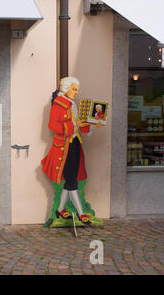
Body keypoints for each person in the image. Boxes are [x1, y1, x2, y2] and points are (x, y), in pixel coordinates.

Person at [41, 77, 101, 225]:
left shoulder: (72, 104)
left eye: (76, 90)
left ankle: (60, 210)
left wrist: (91, 124)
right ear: (66, 88)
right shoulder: (59, 104)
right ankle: (81, 214)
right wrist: (74, 124)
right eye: (73, 89)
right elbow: (53, 126)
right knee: (72, 181)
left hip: (74, 144)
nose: (75, 92)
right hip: (64, 147)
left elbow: (78, 125)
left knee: (70, 180)